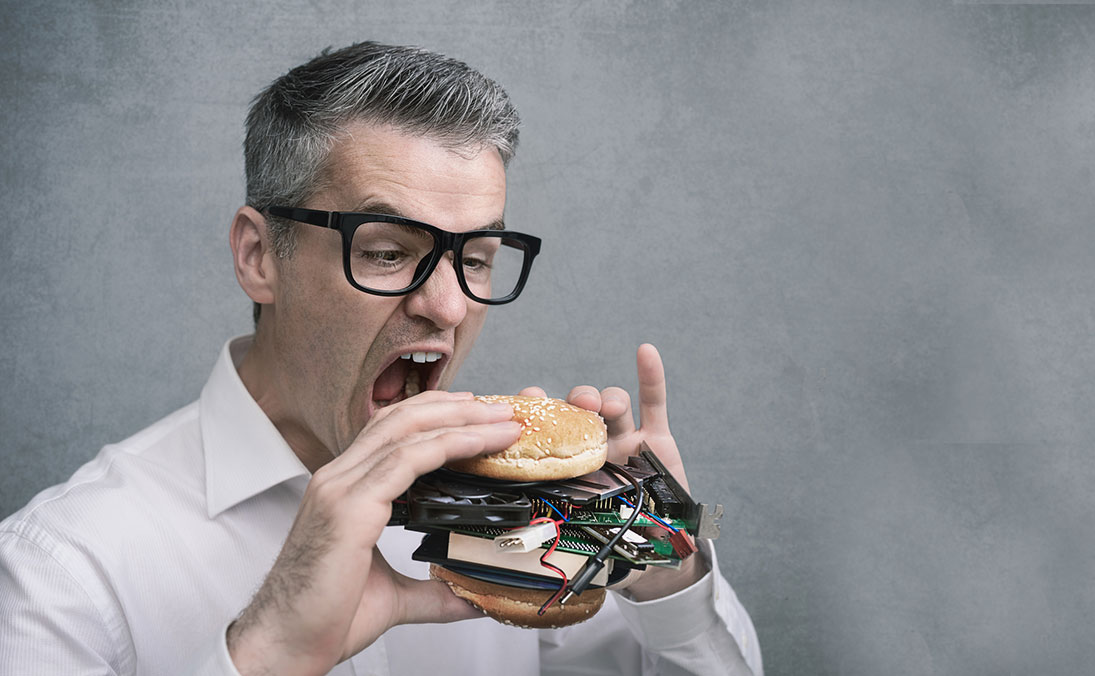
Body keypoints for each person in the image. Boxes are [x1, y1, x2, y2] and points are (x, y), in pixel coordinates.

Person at [0, 42, 761, 675]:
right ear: (260, 255)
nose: (451, 307)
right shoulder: (62, 571)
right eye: (391, 252)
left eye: (480, 258)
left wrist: (662, 561)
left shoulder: (528, 525)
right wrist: (267, 653)